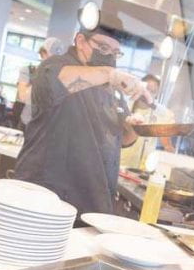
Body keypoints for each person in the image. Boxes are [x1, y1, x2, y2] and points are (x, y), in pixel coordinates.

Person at [13, 26, 151, 218]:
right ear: (80, 41)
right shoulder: (54, 66)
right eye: (103, 48)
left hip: (93, 199)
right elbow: (57, 83)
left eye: (115, 52)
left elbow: (122, 139)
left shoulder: (112, 88)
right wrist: (111, 74)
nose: (108, 56)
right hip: (47, 196)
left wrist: (135, 127)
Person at [17, 37, 65, 129]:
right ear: (43, 54)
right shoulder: (27, 71)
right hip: (27, 124)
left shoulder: (60, 77)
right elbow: (23, 96)